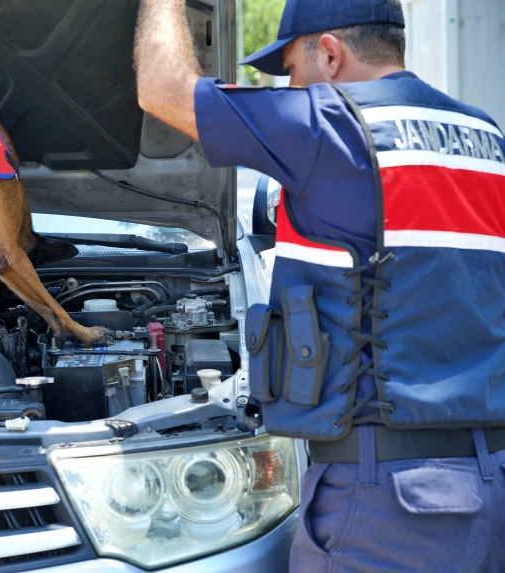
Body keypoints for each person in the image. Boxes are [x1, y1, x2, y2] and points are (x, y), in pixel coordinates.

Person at [134, 0, 505, 571]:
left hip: (390, 510)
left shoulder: (326, 124)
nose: (291, 88)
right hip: (492, 490)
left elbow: (161, 90)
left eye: (291, 72)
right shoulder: (486, 137)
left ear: (329, 54)